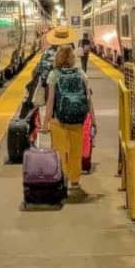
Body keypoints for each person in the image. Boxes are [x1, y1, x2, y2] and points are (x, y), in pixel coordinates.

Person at [42, 41, 95, 203]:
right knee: (75, 151)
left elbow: (50, 101)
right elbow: (88, 98)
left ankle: (63, 179)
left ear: (58, 58)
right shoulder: (80, 73)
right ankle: (75, 181)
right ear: (72, 58)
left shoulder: (54, 75)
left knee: (60, 151)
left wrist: (45, 122)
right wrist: (93, 119)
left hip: (58, 120)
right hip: (77, 120)